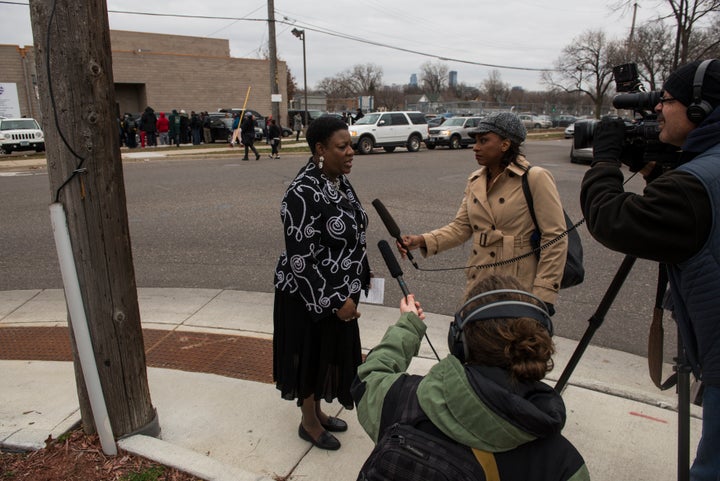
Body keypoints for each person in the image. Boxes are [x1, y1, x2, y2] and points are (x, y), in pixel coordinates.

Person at [580, 59, 720, 481]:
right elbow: (687, 215)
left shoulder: (697, 184)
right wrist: (652, 168)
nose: (658, 109)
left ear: (699, 109)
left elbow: (611, 219)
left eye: (668, 100)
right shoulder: (703, 173)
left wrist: (604, 161)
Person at [352, 274, 589, 480]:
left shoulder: (404, 400)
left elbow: (371, 375)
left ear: (459, 343)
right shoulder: (562, 464)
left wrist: (409, 325)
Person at [398, 112, 567, 314]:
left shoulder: (535, 178)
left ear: (505, 144)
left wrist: (543, 296)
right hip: (479, 284)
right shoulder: (475, 180)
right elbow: (461, 227)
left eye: (484, 140)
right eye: (476, 140)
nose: (475, 147)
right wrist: (422, 240)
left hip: (519, 290)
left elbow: (555, 238)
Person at [273, 115, 371, 451]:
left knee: (327, 354)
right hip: (308, 296)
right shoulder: (302, 192)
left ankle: (318, 411)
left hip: (339, 290)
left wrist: (358, 281)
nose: (350, 152)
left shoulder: (337, 181)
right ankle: (309, 422)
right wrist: (334, 301)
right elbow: (300, 260)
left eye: (351, 145)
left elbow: (354, 232)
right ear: (320, 149)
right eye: (342, 146)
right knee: (311, 356)